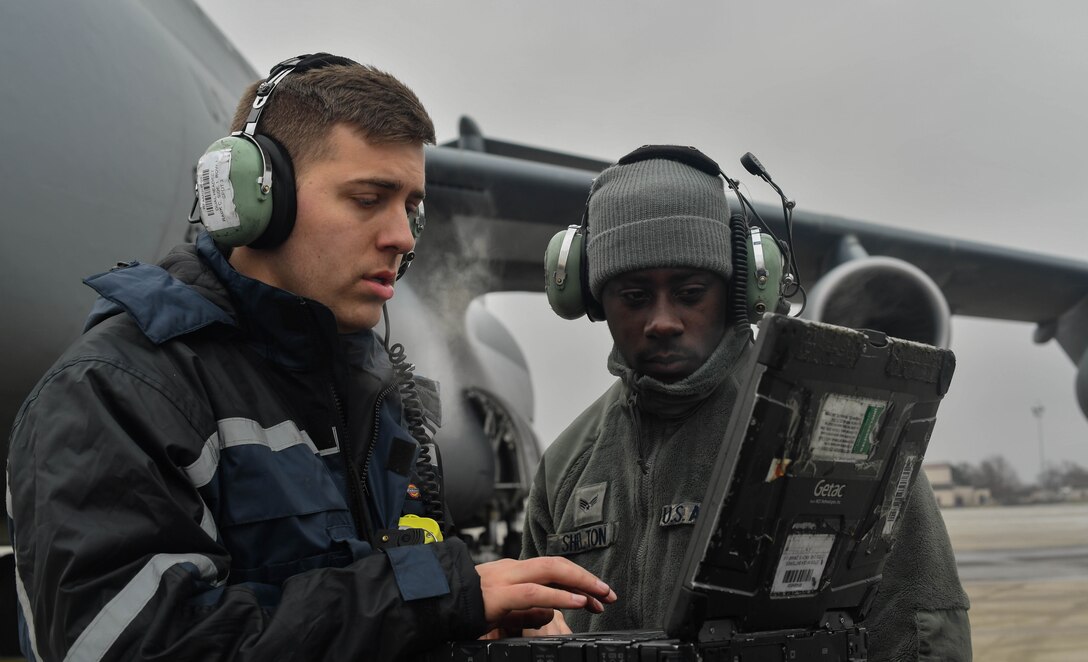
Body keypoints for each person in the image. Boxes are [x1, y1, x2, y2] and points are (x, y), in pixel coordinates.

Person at [6, 53, 614, 661]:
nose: (402, 236)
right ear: (259, 202)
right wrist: (437, 598)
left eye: (410, 208)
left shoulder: (376, 397)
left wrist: (478, 624)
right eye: (369, 198)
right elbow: (135, 647)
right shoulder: (118, 393)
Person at [521, 146, 972, 660]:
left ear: (740, 290)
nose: (663, 321)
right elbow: (532, 629)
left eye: (690, 293)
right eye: (634, 296)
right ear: (593, 300)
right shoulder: (568, 464)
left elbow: (923, 632)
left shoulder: (835, 435)